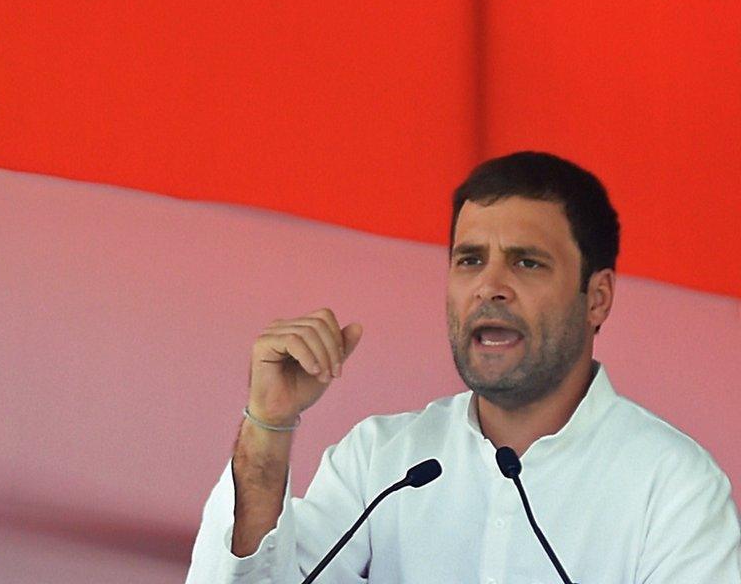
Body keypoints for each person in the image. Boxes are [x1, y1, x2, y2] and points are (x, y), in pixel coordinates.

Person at [185, 152, 741, 583]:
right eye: (469, 260)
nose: (489, 287)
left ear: (597, 298)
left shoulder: (673, 489)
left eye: (527, 262)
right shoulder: (383, 463)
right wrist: (269, 425)